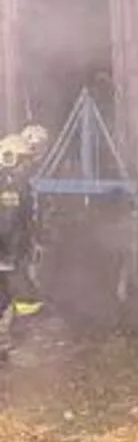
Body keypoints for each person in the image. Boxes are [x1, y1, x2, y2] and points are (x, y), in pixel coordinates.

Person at [0, 126, 48, 362]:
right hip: (8, 256)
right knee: (25, 299)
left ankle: (9, 345)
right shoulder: (10, 186)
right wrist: (8, 257)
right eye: (24, 160)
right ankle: (16, 345)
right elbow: (8, 223)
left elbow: (24, 222)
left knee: (9, 300)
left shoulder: (18, 184)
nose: (28, 165)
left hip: (12, 255)